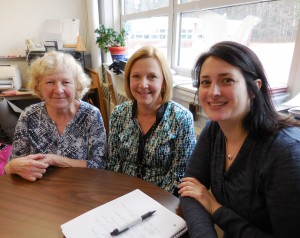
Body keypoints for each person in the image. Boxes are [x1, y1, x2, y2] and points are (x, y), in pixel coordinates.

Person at [178, 41, 300, 237]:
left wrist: (215, 208)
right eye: (205, 82)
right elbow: (190, 188)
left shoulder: (286, 153)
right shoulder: (213, 130)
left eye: (226, 80)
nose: (213, 92)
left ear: (253, 89)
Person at [4, 51, 106, 181]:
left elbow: (100, 165)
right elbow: (12, 165)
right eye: (50, 82)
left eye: (66, 82)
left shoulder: (91, 115)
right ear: (38, 86)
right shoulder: (29, 116)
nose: (58, 90)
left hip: (81, 190)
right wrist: (12, 166)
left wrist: (54, 159)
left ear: (77, 86)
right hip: (38, 193)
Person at [106, 46, 196, 194]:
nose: (143, 84)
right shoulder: (118, 114)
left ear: (164, 82)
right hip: (122, 196)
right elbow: (113, 164)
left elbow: (179, 175)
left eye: (152, 76)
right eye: (136, 76)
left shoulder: (181, 119)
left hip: (163, 201)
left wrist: (152, 203)